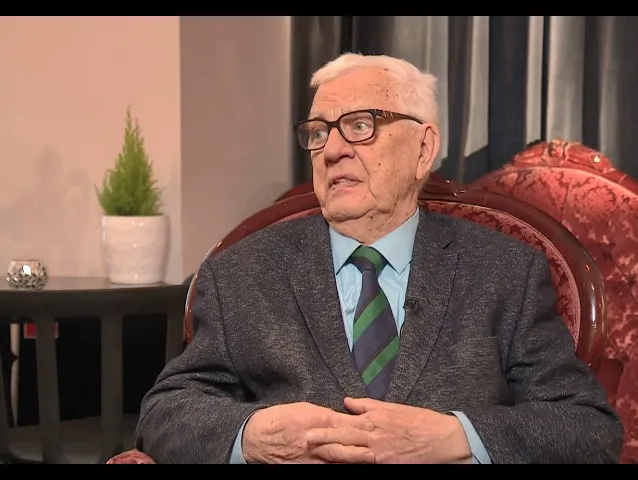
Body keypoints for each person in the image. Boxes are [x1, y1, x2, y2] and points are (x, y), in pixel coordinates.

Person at [134, 53, 623, 464]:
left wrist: (456, 437)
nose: (332, 150)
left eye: (360, 126)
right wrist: (252, 435)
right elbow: (165, 412)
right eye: (319, 132)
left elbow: (585, 426)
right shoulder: (241, 274)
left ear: (424, 148)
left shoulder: (505, 272)